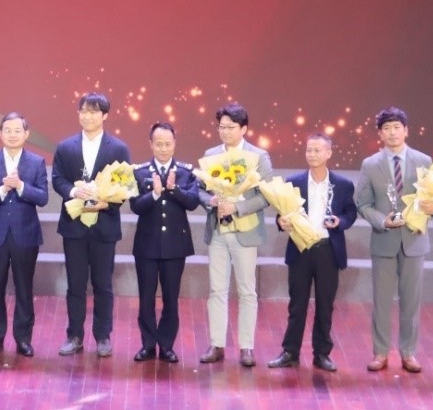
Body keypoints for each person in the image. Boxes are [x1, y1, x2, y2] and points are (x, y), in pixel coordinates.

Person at [354, 106, 433, 374]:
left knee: (411, 301)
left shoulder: (423, 161)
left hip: (414, 240)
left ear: (406, 131)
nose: (392, 133)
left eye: (396, 127)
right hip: (384, 239)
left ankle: (409, 352)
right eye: (386, 128)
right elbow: (362, 203)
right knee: (381, 301)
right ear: (380, 134)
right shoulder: (370, 164)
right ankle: (380, 352)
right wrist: (382, 221)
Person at [266, 134, 357, 372]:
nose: (312, 155)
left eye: (317, 150)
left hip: (328, 249)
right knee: (297, 304)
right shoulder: (293, 182)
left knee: (325, 305)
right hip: (300, 249)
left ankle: (322, 354)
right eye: (309, 150)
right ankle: (290, 352)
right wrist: (281, 222)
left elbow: (351, 213)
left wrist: (340, 221)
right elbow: (283, 213)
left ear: (328, 153)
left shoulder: (343, 184)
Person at [52, 91, 131, 357]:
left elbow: (125, 185)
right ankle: (74, 335)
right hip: (74, 225)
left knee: (103, 284)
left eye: (94, 111)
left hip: (104, 225)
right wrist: (74, 192)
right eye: (83, 111)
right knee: (75, 284)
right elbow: (58, 179)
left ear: (105, 115)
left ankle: (103, 336)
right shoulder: (65, 147)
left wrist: (106, 203)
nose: (87, 116)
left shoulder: (118, 148)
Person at [197, 102, 273, 367]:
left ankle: (246, 347)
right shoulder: (211, 154)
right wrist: (210, 201)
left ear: (244, 129)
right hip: (218, 230)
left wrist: (237, 207)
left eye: (230, 127)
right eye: (221, 127)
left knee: (247, 291)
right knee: (217, 289)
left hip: (245, 231)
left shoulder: (259, 156)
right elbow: (199, 189)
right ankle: (216, 344)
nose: (225, 132)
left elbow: (267, 195)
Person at [0, 112, 49, 357]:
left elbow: (42, 197)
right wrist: (3, 189)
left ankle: (23, 338)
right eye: (8, 130)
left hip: (25, 235)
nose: (13, 135)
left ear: (26, 134)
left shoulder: (36, 162)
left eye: (18, 130)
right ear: (0, 133)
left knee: (24, 288)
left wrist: (20, 186)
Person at [129, 122, 199, 363]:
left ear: (174, 144)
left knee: (171, 297)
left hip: (175, 245)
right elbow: (136, 206)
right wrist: (155, 194)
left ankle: (167, 345)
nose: (163, 148)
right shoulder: (140, 172)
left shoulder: (186, 172)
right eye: (158, 144)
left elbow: (193, 202)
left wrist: (174, 189)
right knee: (146, 297)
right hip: (147, 245)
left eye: (167, 144)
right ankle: (148, 344)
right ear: (150, 144)